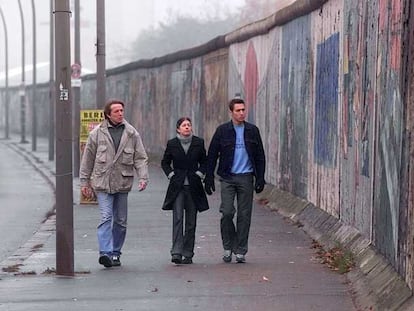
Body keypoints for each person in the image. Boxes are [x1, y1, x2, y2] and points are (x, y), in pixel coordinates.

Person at [79, 98, 149, 268]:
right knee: (106, 217)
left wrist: (143, 177)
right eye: (116, 111)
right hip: (102, 182)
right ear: (108, 114)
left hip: (122, 182)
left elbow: (140, 157)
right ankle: (105, 252)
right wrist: (84, 182)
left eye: (122, 111)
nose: (120, 114)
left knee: (121, 221)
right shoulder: (97, 133)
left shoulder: (131, 133)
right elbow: (87, 158)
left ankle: (116, 252)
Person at [204, 97, 266, 263]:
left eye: (243, 110)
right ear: (231, 112)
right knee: (227, 212)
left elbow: (260, 155)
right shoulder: (222, 130)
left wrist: (260, 178)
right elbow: (212, 154)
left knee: (244, 215)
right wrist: (209, 177)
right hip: (228, 177)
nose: (241, 113)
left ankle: (240, 250)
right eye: (238, 110)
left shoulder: (252, 130)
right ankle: (227, 246)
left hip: (246, 177)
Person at [161, 117, 209, 264]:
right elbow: (165, 162)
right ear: (178, 129)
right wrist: (171, 174)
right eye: (184, 125)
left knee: (191, 221)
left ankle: (188, 252)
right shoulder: (172, 144)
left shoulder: (198, 142)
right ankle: (176, 252)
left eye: (189, 125)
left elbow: (205, 161)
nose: (187, 127)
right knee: (177, 219)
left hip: (194, 186)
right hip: (178, 187)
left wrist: (200, 174)